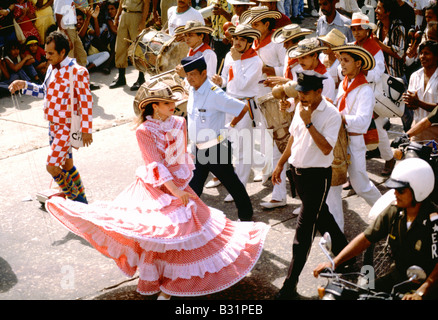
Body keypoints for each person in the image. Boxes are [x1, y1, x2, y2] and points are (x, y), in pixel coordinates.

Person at [43, 81, 269, 299]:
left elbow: (181, 160)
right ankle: (164, 286)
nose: (173, 105)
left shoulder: (180, 123)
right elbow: (155, 165)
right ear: (154, 105)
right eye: (166, 102)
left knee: (188, 232)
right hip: (154, 189)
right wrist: (174, 190)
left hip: (178, 184)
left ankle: (171, 288)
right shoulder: (143, 130)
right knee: (156, 234)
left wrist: (182, 189)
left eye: (173, 101)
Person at [314, 158, 438, 300]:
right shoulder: (394, 212)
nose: (395, 194)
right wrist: (334, 262)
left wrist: (422, 291)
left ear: (419, 190)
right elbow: (366, 238)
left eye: (400, 190)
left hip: (428, 285)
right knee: (361, 295)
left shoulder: (434, 221)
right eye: (394, 189)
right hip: (400, 277)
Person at [274, 70, 349, 299]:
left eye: (306, 93)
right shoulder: (299, 107)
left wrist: (309, 124)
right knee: (322, 215)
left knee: (303, 232)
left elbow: (327, 148)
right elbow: (293, 139)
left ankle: (289, 285)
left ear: (319, 91)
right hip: (297, 174)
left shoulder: (332, 115)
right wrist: (280, 165)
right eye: (300, 92)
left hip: (317, 176)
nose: (302, 96)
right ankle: (347, 255)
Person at [8, 31, 93, 204]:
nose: (46, 57)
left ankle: (79, 203)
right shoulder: (51, 68)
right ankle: (82, 198)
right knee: (67, 166)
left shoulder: (78, 71)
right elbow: (44, 92)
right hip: (52, 126)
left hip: (67, 127)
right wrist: (24, 85)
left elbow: (85, 102)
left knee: (52, 166)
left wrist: (86, 130)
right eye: (45, 53)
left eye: (50, 53)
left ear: (63, 52)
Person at [184, 53, 255, 222]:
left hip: (216, 148)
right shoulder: (193, 90)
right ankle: (187, 220)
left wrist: (230, 127)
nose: (189, 78)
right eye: (187, 75)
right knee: (194, 187)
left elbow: (242, 108)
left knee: (231, 183)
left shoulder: (214, 93)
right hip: (198, 148)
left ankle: (246, 216)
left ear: (203, 73)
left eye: (193, 74)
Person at [211, 23, 263, 203]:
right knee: (228, 143)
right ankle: (259, 165)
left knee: (242, 147)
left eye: (242, 39)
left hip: (244, 105)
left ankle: (239, 189)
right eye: (236, 38)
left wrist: (238, 60)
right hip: (228, 102)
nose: (238, 42)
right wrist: (220, 80)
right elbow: (228, 80)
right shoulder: (230, 55)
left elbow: (243, 85)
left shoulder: (256, 61)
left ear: (250, 42)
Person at [331, 44, 382, 208]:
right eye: (340, 60)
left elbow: (362, 123)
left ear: (358, 63)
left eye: (346, 60)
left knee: (361, 185)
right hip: (338, 140)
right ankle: (334, 227)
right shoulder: (343, 85)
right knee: (333, 186)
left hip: (354, 142)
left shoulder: (365, 90)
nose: (342, 65)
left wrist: (340, 118)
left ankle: (387, 212)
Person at [349, 11, 396, 177]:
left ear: (367, 30)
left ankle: (389, 158)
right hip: (355, 90)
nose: (356, 32)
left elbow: (378, 73)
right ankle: (356, 168)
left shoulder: (375, 48)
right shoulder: (353, 46)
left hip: (372, 93)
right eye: (354, 29)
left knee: (378, 128)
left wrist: (362, 69)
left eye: (359, 29)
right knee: (357, 129)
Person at [402, 40, 438, 142]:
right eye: (421, 53)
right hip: (417, 128)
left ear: (436, 56)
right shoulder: (415, 76)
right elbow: (412, 105)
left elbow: (437, 111)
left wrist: (418, 102)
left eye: (426, 53)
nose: (422, 56)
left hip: (435, 130)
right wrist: (410, 103)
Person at [109, 0, 149, 90]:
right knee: (120, 46)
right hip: (124, 14)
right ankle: (121, 77)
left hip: (136, 15)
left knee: (137, 48)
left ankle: (141, 78)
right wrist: (117, 15)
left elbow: (146, 3)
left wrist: (143, 21)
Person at [53, 0, 88, 67]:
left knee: (81, 54)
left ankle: (82, 75)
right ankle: (70, 76)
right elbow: (59, 17)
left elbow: (70, 3)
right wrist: (67, 37)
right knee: (70, 57)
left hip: (72, 28)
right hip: (66, 29)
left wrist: (81, 8)